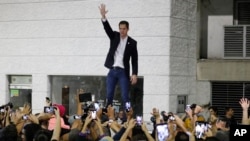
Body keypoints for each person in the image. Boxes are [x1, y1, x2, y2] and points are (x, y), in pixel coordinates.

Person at [99, 4, 138, 108]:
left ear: (128, 29)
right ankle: (108, 117)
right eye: (120, 28)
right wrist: (103, 17)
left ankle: (127, 118)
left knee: (125, 96)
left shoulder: (132, 42)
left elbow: (134, 60)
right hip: (112, 70)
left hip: (123, 72)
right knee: (109, 95)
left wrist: (134, 73)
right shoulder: (115, 36)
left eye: (124, 29)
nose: (122, 31)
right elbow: (107, 29)